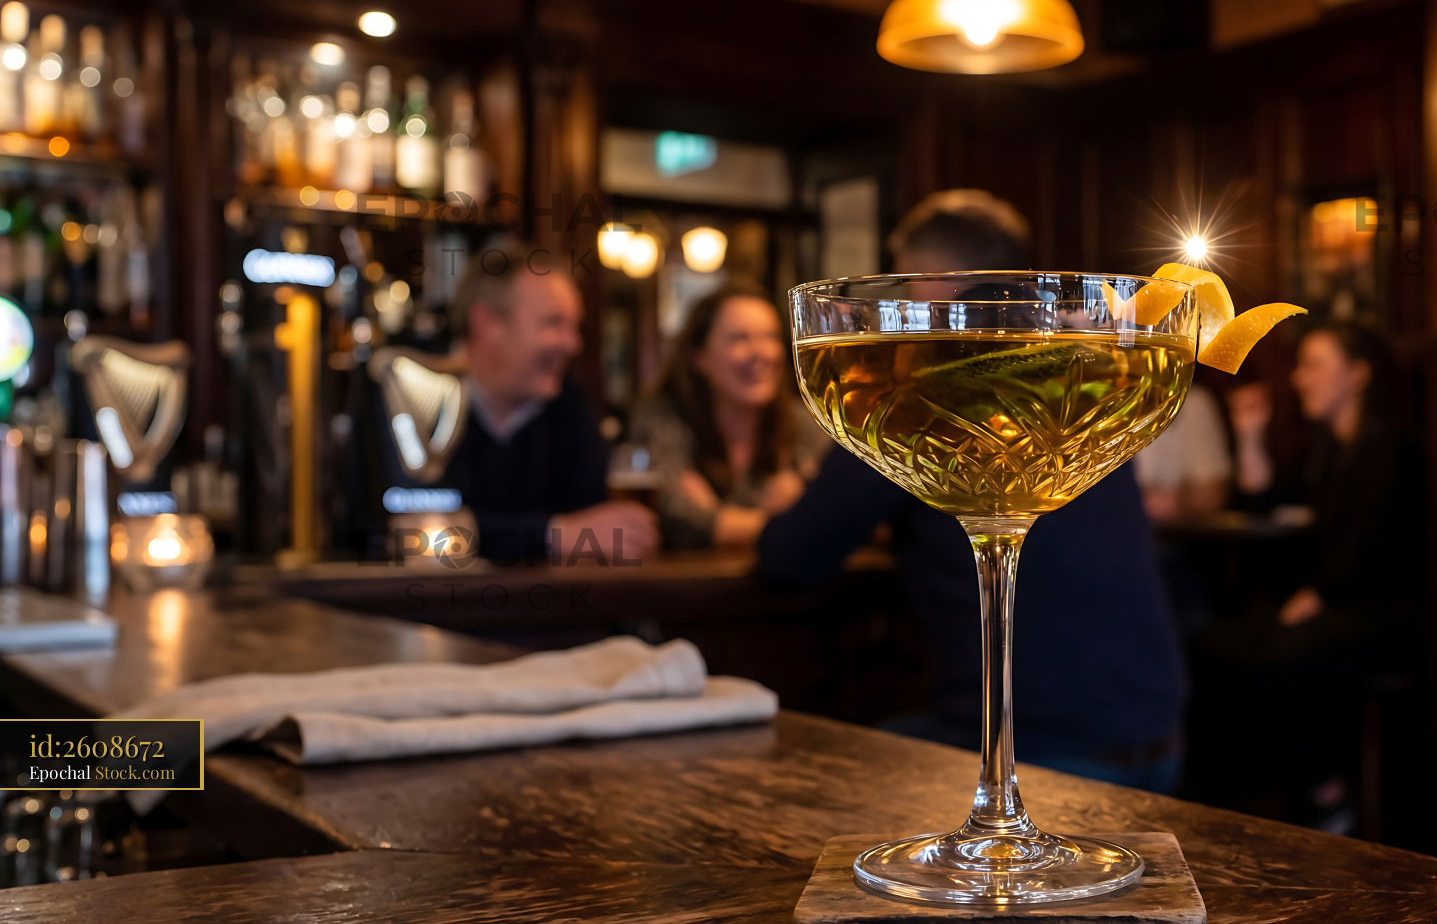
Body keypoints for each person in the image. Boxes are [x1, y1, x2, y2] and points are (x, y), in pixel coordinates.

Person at [757, 189, 1187, 793]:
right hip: (1154, 733)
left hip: (1047, 753)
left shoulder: (925, 383)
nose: (904, 304)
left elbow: (790, 557)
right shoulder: (1088, 369)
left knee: (801, 778)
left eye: (909, 285)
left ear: (938, 282)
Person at [1190, 321, 1425, 833]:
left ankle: (1322, 793)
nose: (1300, 378)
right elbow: (1265, 500)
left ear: (1357, 375)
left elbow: (1372, 546)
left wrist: (1315, 596)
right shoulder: (1324, 447)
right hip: (1326, 602)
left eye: (1315, 365)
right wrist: (1249, 436)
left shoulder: (1385, 448)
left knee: (1273, 661)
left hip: (1378, 614)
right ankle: (1247, 802)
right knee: (1212, 647)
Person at [447, 239, 657, 564]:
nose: (573, 344)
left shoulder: (568, 405)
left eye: (575, 326)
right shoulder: (414, 402)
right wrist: (552, 534)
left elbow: (598, 523)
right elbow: (409, 530)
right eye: (553, 323)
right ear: (487, 324)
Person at [626, 286, 828, 549]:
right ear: (699, 357)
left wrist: (718, 517)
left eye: (770, 337)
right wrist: (793, 518)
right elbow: (676, 517)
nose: (761, 353)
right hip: (687, 587)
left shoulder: (807, 423)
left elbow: (855, 514)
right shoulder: (663, 420)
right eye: (739, 339)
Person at [1132, 383, 1231, 522]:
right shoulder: (1103, 403)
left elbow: (1213, 494)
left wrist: (1177, 500)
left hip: (1179, 533)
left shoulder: (1193, 402)